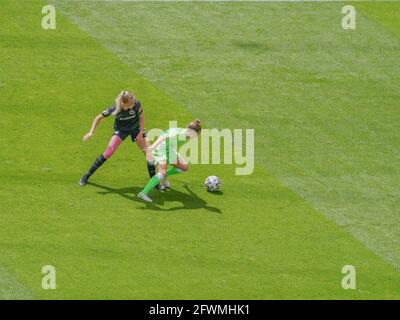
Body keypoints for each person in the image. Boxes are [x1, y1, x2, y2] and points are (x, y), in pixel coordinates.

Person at [79, 90, 157, 187]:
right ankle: (87, 175)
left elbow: (141, 117)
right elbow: (99, 117)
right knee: (109, 151)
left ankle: (154, 182)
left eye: (133, 98)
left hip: (136, 129)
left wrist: (141, 133)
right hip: (121, 130)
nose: (134, 101)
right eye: (131, 100)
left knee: (149, 152)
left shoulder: (136, 104)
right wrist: (91, 132)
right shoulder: (115, 109)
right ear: (124, 103)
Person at [137, 119, 201, 203]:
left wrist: (188, 189)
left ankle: (164, 176)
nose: (196, 137)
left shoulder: (186, 134)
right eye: (196, 135)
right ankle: (143, 193)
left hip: (169, 149)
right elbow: (164, 136)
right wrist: (152, 147)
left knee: (184, 167)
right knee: (162, 172)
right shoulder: (180, 133)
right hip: (161, 148)